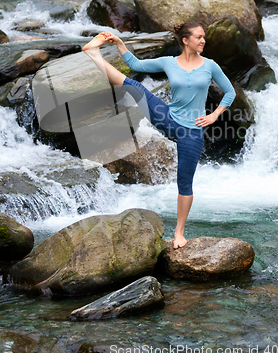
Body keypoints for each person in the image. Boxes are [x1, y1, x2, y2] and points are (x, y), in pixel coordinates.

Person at [82, 22, 236, 249]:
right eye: (199, 37)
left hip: (191, 131)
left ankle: (179, 234)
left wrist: (214, 115)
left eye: (204, 37)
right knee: (134, 86)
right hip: (168, 118)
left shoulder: (210, 66)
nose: (203, 41)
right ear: (186, 40)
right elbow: (135, 64)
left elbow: (230, 92)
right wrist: (121, 44)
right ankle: (92, 53)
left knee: (185, 183)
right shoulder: (169, 63)